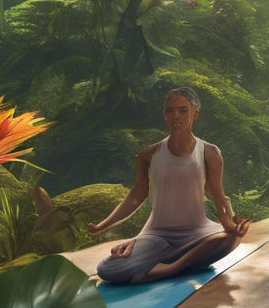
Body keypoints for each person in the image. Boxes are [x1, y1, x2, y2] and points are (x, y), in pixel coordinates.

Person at [91, 87, 252, 284]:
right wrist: (103, 226)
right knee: (107, 269)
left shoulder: (210, 153)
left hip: (197, 232)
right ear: (164, 115)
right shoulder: (148, 155)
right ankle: (186, 260)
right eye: (170, 111)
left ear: (195, 114)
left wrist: (229, 225)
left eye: (183, 111)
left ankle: (172, 268)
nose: (176, 116)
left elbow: (217, 193)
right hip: (156, 236)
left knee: (231, 239)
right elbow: (136, 196)